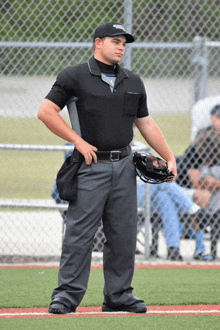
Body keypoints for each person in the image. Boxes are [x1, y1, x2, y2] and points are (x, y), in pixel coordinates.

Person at [37, 22, 177, 315]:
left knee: (123, 233)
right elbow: (46, 111)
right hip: (90, 166)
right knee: (80, 234)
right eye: (115, 41)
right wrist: (77, 140)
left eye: (124, 43)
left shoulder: (133, 81)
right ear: (98, 43)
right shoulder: (74, 76)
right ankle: (66, 296)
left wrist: (169, 156)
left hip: (125, 166)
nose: (121, 47)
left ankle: (119, 294)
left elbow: (145, 123)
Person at [187, 104, 220, 259]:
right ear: (212, 119)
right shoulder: (204, 138)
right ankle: (201, 248)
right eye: (218, 118)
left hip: (215, 186)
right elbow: (195, 177)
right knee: (204, 194)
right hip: (201, 188)